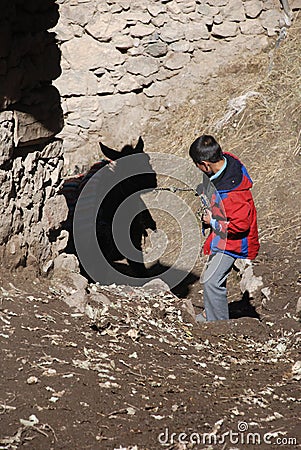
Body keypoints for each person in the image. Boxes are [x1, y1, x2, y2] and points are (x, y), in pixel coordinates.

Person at [189, 135, 260, 322]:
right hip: (223, 236)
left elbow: (240, 226)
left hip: (233, 242)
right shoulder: (225, 162)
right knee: (211, 278)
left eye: (197, 165)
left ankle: (219, 325)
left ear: (205, 164)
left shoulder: (234, 194)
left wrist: (212, 221)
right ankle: (213, 315)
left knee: (211, 281)